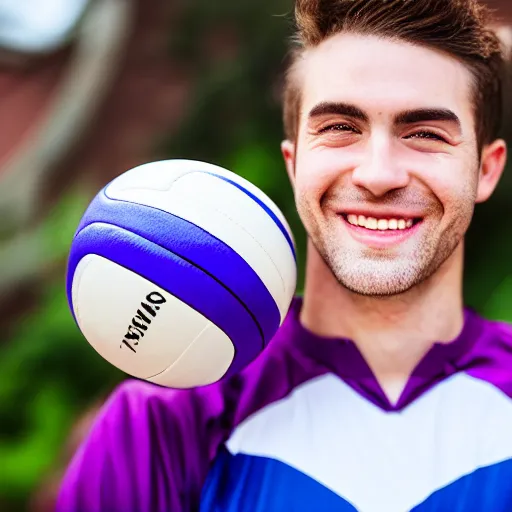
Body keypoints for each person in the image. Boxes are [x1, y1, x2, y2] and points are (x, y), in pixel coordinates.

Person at [56, 0, 512, 510]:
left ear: (486, 170)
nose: (378, 175)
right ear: (294, 164)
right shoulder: (165, 422)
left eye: (425, 134)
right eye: (340, 127)